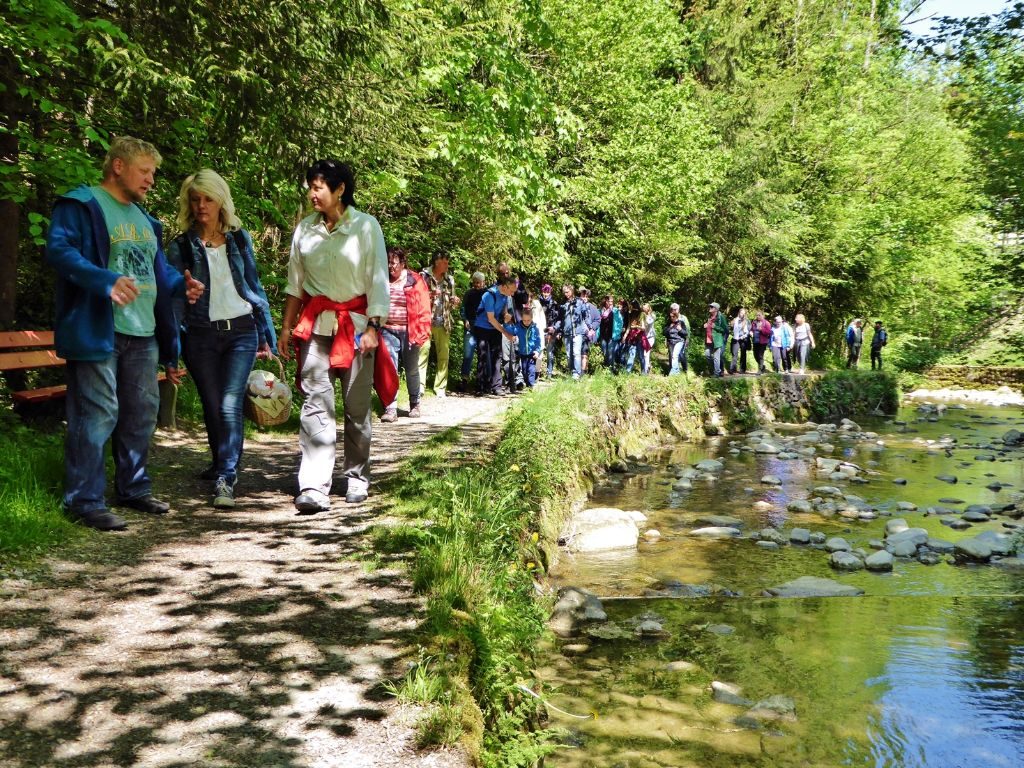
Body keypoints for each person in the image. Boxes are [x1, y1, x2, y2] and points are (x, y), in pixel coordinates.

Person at [45, 136, 204, 530]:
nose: (151, 180)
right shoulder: (81, 205)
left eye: (153, 173)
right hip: (99, 329)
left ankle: (133, 489)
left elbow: (155, 270)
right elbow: (59, 251)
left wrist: (178, 284)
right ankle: (84, 500)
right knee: (97, 413)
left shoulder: (146, 220)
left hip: (143, 331)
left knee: (140, 413)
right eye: (145, 171)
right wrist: (105, 280)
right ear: (118, 166)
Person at [278, 159, 392, 512]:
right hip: (316, 327)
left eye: (318, 187)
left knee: (357, 408)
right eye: (310, 186)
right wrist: (286, 327)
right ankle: (313, 485)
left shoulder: (365, 227)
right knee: (316, 404)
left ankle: (357, 476)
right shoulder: (305, 230)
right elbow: (295, 285)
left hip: (358, 329)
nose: (312, 193)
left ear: (339, 189)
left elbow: (378, 280)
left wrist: (374, 327)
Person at [166, 169, 276, 509]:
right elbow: (172, 301)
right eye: (195, 199)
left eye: (208, 198)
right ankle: (220, 462)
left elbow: (254, 288)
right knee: (213, 405)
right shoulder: (181, 246)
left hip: (241, 331)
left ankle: (226, 476)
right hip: (199, 335)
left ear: (221, 201)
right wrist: (171, 351)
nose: (201, 206)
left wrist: (266, 335)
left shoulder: (240, 239)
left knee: (229, 404)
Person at [380, 247, 430, 422]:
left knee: (411, 369)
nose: (390, 266)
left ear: (402, 263)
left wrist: (423, 332)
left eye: (393, 262)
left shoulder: (415, 280)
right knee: (389, 370)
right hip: (386, 329)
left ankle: (415, 403)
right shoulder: (381, 278)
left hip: (410, 331)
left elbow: (424, 307)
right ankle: (390, 408)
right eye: (387, 262)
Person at [418, 252, 460, 398]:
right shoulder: (423, 276)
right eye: (445, 262)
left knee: (444, 355)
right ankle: (419, 387)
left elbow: (452, 303)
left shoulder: (449, 280)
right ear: (437, 262)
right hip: (426, 320)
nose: (447, 265)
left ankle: (440, 387)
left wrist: (455, 302)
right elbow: (416, 298)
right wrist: (430, 295)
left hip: (444, 322)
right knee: (423, 352)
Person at [473, 273, 518, 395]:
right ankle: (481, 387)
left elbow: (501, 312)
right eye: (512, 291)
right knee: (483, 355)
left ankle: (496, 386)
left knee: (497, 356)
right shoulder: (489, 295)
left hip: (494, 328)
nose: (513, 294)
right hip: (482, 327)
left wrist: (505, 316)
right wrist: (507, 334)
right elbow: (491, 319)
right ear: (505, 286)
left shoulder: (505, 296)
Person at [457, 271, 486, 392]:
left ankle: (481, 381)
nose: (477, 285)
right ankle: (464, 379)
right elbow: (463, 308)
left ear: (483, 282)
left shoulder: (486, 294)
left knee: (482, 354)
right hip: (470, 327)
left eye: (479, 282)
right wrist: (465, 319)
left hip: (483, 327)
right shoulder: (469, 293)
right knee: (468, 355)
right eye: (475, 282)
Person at [561, 284, 588, 379]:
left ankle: (576, 374)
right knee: (569, 354)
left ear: (572, 291)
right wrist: (559, 330)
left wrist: (590, 327)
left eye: (567, 292)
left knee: (576, 353)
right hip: (567, 332)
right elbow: (560, 319)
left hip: (578, 332)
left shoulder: (579, 302)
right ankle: (571, 371)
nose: (566, 294)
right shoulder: (563, 304)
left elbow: (585, 315)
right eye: (564, 292)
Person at [515, 307, 542, 388]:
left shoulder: (535, 329)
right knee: (524, 370)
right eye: (524, 320)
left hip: (532, 353)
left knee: (531, 369)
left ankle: (531, 385)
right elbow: (511, 331)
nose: (526, 322)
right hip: (522, 353)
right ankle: (527, 383)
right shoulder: (518, 328)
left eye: (528, 320)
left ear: (532, 319)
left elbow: (538, 341)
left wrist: (537, 351)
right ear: (522, 319)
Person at [539, 283, 561, 377]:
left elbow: (558, 318)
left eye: (547, 292)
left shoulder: (554, 303)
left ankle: (549, 372)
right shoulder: (538, 302)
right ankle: (537, 372)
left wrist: (555, 330)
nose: (546, 294)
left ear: (550, 292)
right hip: (539, 329)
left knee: (549, 351)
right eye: (544, 291)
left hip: (550, 330)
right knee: (538, 350)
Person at [578, 287, 601, 374]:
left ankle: (583, 372)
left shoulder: (593, 308)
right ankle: (576, 371)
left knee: (584, 352)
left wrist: (592, 329)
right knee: (577, 353)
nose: (584, 298)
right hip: (577, 333)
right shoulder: (576, 306)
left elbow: (598, 319)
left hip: (587, 334)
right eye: (583, 295)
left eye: (586, 296)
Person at [598, 294, 623, 373]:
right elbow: (598, 322)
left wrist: (617, 332)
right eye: (609, 301)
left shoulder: (615, 311)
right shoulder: (601, 311)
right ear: (606, 301)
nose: (611, 303)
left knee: (610, 353)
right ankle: (606, 369)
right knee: (605, 352)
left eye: (612, 301)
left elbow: (620, 322)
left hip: (612, 335)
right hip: (603, 335)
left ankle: (611, 370)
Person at [704, 302, 728, 377]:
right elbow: (708, 327)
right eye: (710, 307)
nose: (710, 308)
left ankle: (717, 373)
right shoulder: (709, 316)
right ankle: (713, 371)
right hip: (708, 340)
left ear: (716, 309)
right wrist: (705, 326)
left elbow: (725, 330)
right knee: (707, 355)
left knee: (716, 357)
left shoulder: (721, 318)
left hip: (717, 341)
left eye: (712, 307)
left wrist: (716, 327)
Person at [666, 303, 689, 375]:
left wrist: (687, 339)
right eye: (672, 309)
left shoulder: (683, 318)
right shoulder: (669, 319)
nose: (674, 310)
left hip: (681, 340)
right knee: (672, 355)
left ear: (678, 310)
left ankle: (684, 369)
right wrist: (666, 339)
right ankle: (673, 371)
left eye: (675, 309)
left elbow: (687, 330)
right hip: (671, 340)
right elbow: (666, 331)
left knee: (681, 355)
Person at [729, 308, 750, 374]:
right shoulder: (735, 319)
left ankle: (742, 369)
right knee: (734, 353)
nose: (742, 314)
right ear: (739, 313)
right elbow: (731, 327)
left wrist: (742, 337)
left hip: (743, 339)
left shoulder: (747, 321)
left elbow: (748, 331)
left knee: (743, 354)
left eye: (744, 313)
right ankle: (732, 368)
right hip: (735, 339)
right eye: (741, 313)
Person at [641, 303, 656, 374]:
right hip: (643, 337)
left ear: (648, 308)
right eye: (643, 308)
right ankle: (647, 366)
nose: (643, 309)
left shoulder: (652, 316)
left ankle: (645, 371)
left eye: (645, 308)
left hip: (650, 338)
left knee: (646, 353)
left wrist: (644, 317)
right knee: (644, 354)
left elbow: (648, 322)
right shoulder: (642, 315)